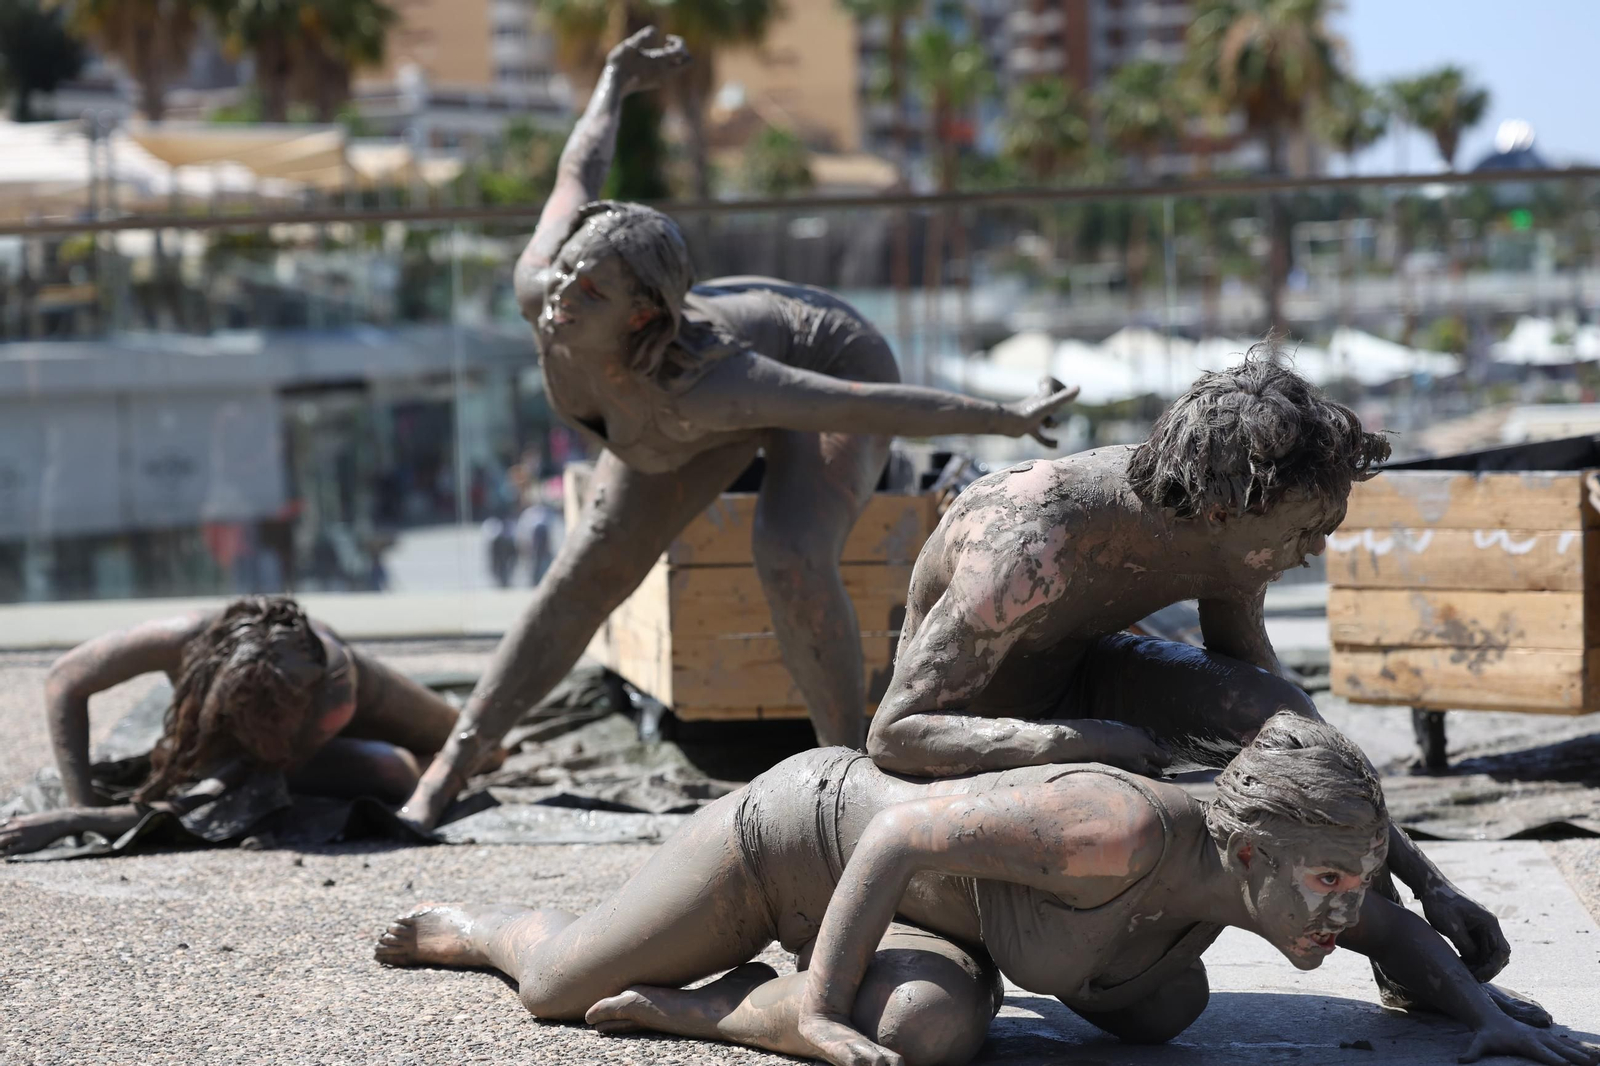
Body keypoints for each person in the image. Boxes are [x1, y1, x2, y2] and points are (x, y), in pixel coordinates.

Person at [396, 27, 1080, 832]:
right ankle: (452, 764)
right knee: (585, 571)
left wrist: (1006, 416)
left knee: (788, 549)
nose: (560, 297)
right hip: (671, 409)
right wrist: (613, 84)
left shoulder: (720, 382)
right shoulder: (541, 290)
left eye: (589, 291)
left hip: (827, 353)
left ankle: (847, 778)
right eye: (567, 274)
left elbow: (863, 405)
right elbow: (575, 173)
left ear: (643, 316)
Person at [374, 714, 1589, 1066]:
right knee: (555, 986)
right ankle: (486, 931)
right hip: (801, 840)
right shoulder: (1109, 829)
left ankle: (706, 1008)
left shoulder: (1280, 878)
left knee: (940, 1033)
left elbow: (1388, 921)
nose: (1341, 910)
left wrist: (1478, 1017)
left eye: (1350, 885)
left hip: (920, 907)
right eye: (1325, 883)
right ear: (1248, 856)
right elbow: (897, 832)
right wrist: (817, 1003)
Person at [862, 355, 1513, 987]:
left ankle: (1407, 957)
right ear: (1224, 513)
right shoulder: (1030, 544)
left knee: (1279, 711)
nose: (1316, 550)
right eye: (1305, 531)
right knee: (1162, 1000)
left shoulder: (1227, 535)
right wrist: (1078, 742)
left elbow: (1291, 741)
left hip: (1082, 679)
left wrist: (1432, 884)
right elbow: (895, 733)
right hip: (979, 734)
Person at [0, 596, 489, 857]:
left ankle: (482, 745)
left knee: (434, 758)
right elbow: (65, 680)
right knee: (387, 769)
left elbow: (211, 796)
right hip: (265, 727)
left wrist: (80, 820)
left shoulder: (333, 690)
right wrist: (81, 803)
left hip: (368, 698)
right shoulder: (183, 637)